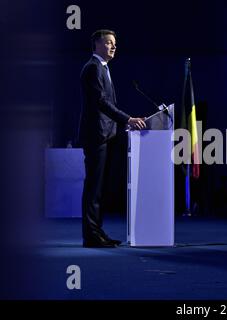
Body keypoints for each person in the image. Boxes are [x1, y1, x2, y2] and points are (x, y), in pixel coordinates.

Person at [78, 29, 146, 248]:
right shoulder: (92, 68)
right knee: (93, 187)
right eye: (108, 43)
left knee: (100, 188)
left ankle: (97, 232)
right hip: (96, 135)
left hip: (106, 135)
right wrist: (128, 119)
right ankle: (91, 235)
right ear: (96, 45)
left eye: (114, 43)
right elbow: (101, 103)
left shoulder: (102, 68)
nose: (113, 46)